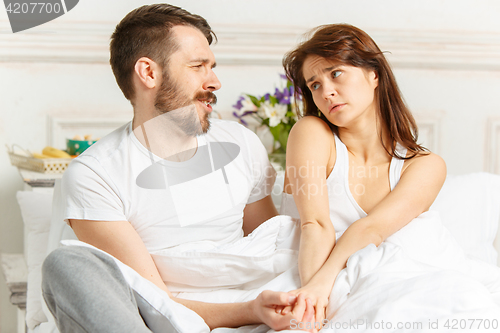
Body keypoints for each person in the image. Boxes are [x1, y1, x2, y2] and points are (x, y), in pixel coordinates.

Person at [41, 4, 315, 332]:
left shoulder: (240, 143)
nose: (214, 81)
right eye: (198, 66)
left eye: (211, 66)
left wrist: (268, 304)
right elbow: (153, 302)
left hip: (252, 303)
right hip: (162, 321)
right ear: (149, 73)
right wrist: (249, 311)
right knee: (66, 265)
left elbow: (267, 248)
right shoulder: (95, 174)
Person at [279, 24, 446, 326]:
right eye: (314, 84)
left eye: (336, 73)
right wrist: (314, 307)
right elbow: (314, 224)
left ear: (374, 74)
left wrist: (320, 288)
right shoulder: (312, 133)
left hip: (376, 280)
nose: (326, 91)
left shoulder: (425, 165)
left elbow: (372, 229)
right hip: (308, 270)